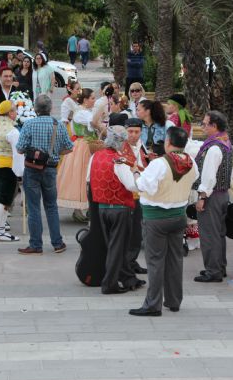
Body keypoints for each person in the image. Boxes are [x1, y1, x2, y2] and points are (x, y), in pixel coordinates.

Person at [128, 127, 199, 317]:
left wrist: (136, 172)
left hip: (156, 218)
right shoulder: (191, 162)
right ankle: (174, 300)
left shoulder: (160, 164)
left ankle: (153, 304)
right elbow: (195, 178)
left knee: (155, 261)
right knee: (175, 259)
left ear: (168, 142)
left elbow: (143, 185)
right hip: (178, 216)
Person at [87, 126, 145, 294]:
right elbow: (132, 185)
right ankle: (110, 284)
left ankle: (128, 279)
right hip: (120, 208)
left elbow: (89, 179)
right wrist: (135, 172)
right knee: (118, 248)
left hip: (102, 208)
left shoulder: (95, 156)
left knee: (114, 246)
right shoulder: (118, 161)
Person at [16, 95, 74, 255]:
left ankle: (35, 244)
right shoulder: (58, 125)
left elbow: (20, 149)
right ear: (50, 109)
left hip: (32, 169)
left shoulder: (28, 124)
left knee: (33, 207)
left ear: (35, 109)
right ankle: (57, 243)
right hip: (50, 169)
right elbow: (69, 147)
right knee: (51, 206)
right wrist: (54, 152)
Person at [193, 111, 233, 282]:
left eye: (205, 124)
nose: (202, 127)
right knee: (218, 233)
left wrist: (202, 196)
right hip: (223, 193)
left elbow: (209, 176)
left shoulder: (213, 148)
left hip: (212, 196)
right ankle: (219, 267)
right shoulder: (226, 142)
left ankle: (213, 271)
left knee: (209, 233)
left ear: (214, 126)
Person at [57, 88, 97, 222]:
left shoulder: (85, 111)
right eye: (92, 98)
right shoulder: (82, 113)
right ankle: (79, 209)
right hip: (83, 145)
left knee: (87, 177)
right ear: (85, 100)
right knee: (81, 176)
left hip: (88, 145)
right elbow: (94, 123)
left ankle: (85, 209)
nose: (94, 100)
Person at [0, 100, 21, 242]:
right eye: (14, 110)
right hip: (7, 167)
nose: (16, 113)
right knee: (4, 200)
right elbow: (18, 153)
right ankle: (1, 231)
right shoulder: (12, 130)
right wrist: (20, 172)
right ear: (10, 113)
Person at [122, 118, 148, 274]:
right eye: (130, 131)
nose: (133, 135)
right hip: (126, 194)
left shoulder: (141, 146)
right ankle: (126, 262)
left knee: (136, 231)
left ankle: (132, 261)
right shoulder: (122, 148)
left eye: (136, 132)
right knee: (128, 231)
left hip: (139, 193)